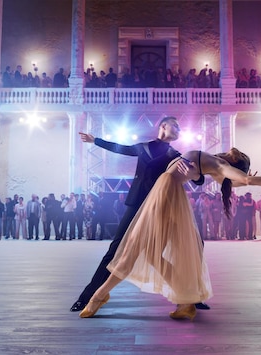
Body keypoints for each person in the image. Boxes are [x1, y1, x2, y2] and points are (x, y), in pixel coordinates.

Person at [78, 149, 261, 320]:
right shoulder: (213, 163)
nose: (232, 152)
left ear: (232, 161)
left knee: (133, 249)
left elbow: (247, 181)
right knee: (149, 254)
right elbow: (237, 180)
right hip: (165, 192)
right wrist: (248, 177)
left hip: (167, 193)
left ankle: (99, 296)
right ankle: (187, 301)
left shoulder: (218, 164)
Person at [70, 116, 187, 312]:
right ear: (163, 126)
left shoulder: (176, 155)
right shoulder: (143, 147)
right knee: (114, 250)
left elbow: (196, 177)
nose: (179, 130)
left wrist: (200, 175)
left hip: (157, 208)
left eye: (180, 128)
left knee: (158, 255)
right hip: (135, 205)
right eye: (176, 125)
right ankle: (87, 296)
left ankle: (189, 295)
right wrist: (95, 140)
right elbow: (119, 148)